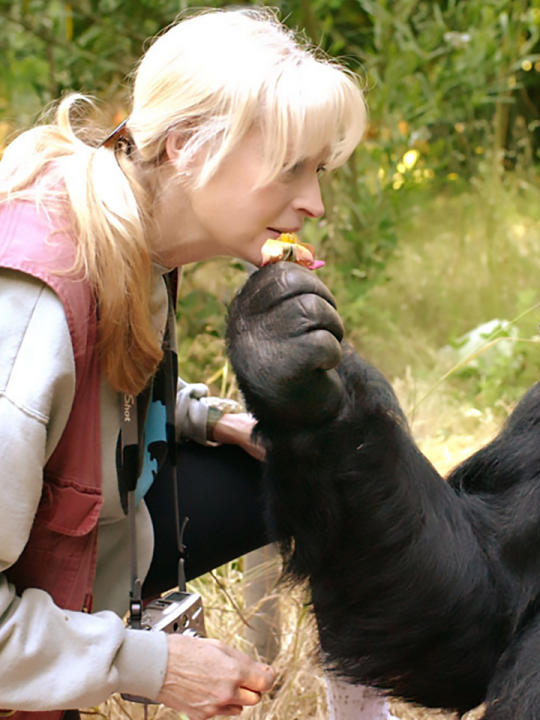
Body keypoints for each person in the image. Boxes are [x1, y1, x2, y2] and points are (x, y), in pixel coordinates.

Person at [0, 8, 395, 720]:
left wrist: (204, 417)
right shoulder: (33, 299)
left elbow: (94, 395)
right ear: (186, 145)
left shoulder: (128, 236)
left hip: (99, 540)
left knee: (322, 467)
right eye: (290, 169)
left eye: (319, 170)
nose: (314, 202)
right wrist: (154, 666)